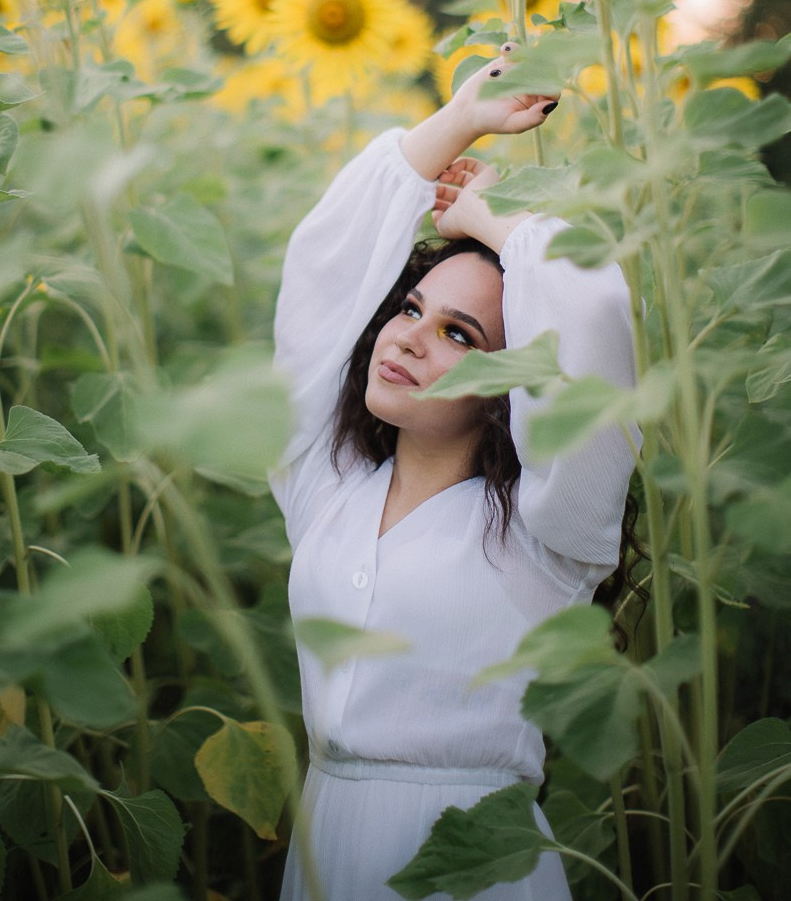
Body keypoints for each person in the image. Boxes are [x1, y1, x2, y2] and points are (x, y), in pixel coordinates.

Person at [269, 45, 639, 901]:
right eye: (410, 309)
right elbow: (320, 271)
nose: (408, 337)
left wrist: (493, 220)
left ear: (512, 388)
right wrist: (462, 119)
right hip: (324, 854)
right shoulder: (322, 487)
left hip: (480, 871)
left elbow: (589, 314)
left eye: (459, 335)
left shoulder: (546, 537)